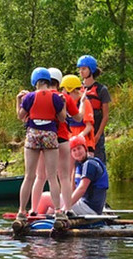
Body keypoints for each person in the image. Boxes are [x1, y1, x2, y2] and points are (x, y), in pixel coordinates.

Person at [29, 68, 86, 217]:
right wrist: (83, 103)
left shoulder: (38, 96)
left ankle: (33, 209)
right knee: (64, 177)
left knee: (40, 176)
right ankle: (67, 209)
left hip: (44, 141)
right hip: (62, 140)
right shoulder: (63, 97)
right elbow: (79, 118)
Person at [15, 67, 66, 221]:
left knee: (29, 176)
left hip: (33, 135)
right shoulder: (56, 98)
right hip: (50, 135)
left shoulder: (29, 97)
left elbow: (20, 116)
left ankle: (22, 211)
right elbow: (62, 118)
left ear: (35, 81)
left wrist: (18, 101)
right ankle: (58, 211)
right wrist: (62, 104)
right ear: (48, 81)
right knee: (52, 177)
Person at [37, 135, 109, 215]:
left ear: (85, 148)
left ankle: (35, 221)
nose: (77, 152)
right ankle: (44, 219)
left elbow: (82, 189)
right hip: (87, 205)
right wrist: (73, 169)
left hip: (88, 207)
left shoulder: (89, 164)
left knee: (45, 197)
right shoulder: (80, 165)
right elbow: (73, 190)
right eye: (74, 150)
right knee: (51, 208)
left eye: (79, 148)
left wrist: (66, 207)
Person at [77, 55, 111, 164]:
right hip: (82, 131)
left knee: (98, 163)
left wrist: (98, 135)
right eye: (80, 69)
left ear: (91, 70)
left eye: (84, 69)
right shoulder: (77, 89)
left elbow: (105, 116)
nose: (81, 72)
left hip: (96, 131)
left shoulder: (101, 89)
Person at [61, 74, 95, 155]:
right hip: (71, 140)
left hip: (85, 141)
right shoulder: (67, 103)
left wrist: (79, 137)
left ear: (72, 91)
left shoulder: (84, 102)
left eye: (65, 92)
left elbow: (89, 126)